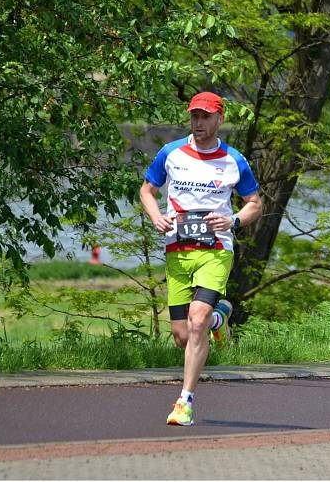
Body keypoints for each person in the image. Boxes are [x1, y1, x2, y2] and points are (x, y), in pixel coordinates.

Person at [140, 91, 263, 426]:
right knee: (182, 334)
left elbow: (255, 202)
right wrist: (156, 217)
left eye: (206, 117)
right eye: (195, 116)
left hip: (215, 250)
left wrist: (234, 220)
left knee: (197, 320)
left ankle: (185, 401)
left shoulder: (233, 160)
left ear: (219, 120)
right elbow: (147, 191)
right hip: (177, 251)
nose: (199, 123)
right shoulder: (171, 153)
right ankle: (220, 319)